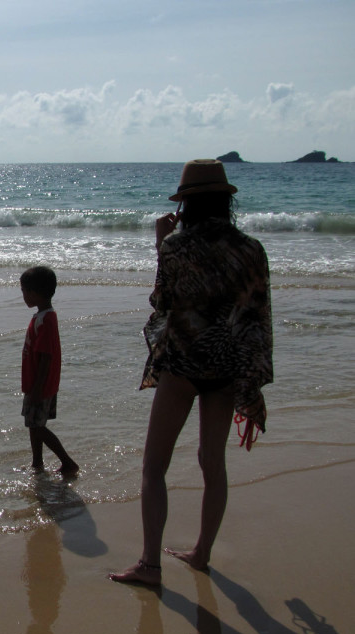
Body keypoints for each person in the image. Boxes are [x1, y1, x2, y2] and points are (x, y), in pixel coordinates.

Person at [110, 160, 273, 586]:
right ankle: (201, 553)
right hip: (223, 369)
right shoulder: (251, 250)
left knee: (154, 467)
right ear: (225, 201)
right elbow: (257, 319)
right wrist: (250, 382)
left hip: (182, 365)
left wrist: (162, 243)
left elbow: (163, 302)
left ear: (186, 205)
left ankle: (149, 564)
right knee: (212, 464)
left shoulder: (177, 247)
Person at [20, 265, 79, 475]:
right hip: (37, 384)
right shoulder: (42, 316)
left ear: (35, 293)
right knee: (34, 425)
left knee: (37, 427)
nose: (23, 296)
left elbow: (46, 357)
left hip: (40, 386)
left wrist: (37, 388)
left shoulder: (46, 320)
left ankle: (67, 462)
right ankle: (37, 463)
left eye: (25, 291)